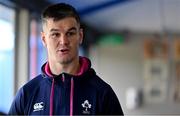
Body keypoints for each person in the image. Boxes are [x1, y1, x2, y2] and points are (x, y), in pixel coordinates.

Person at [8, 3, 124, 115]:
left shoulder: (102, 93)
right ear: (44, 39)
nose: (63, 41)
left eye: (70, 33)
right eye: (55, 34)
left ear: (80, 36)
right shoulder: (27, 94)